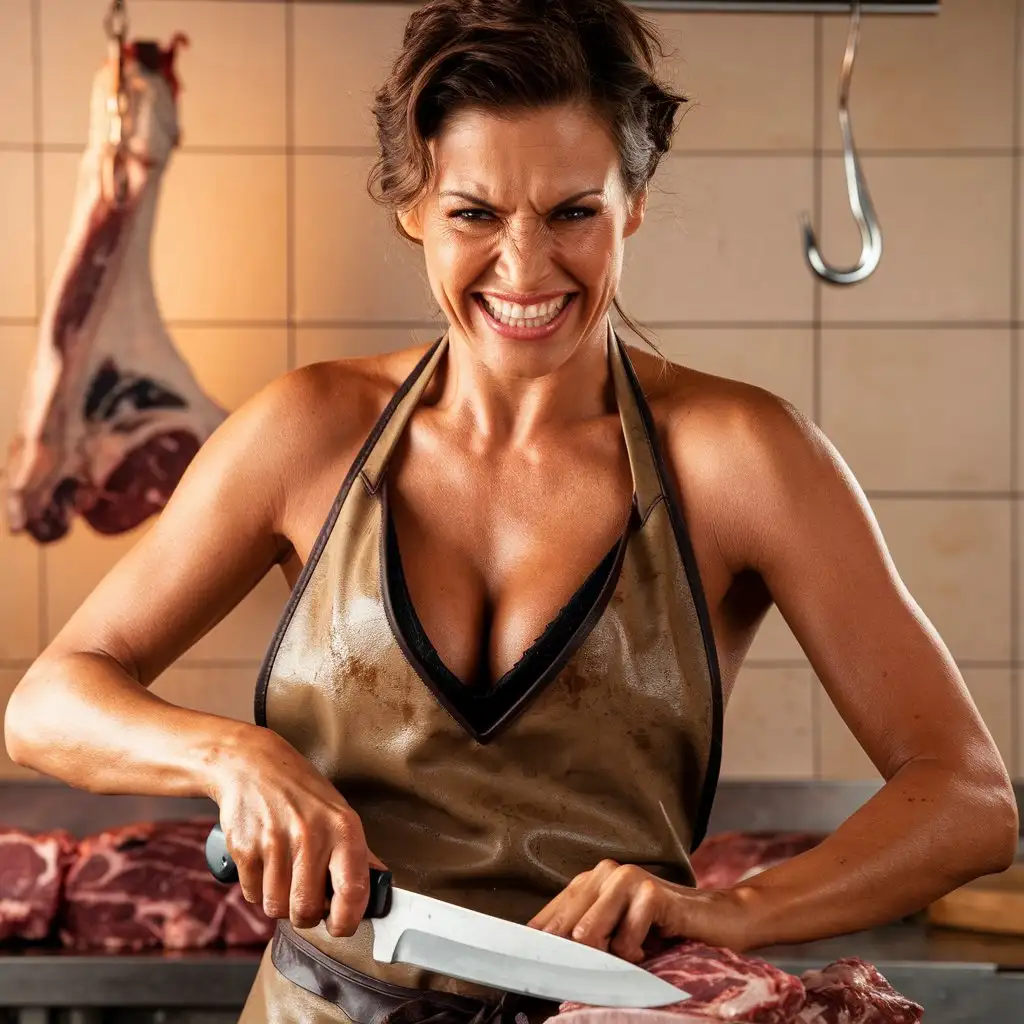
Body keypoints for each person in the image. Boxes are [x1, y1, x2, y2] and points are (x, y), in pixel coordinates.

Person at [5, 0, 1017, 1021]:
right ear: (411, 208)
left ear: (633, 203)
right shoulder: (306, 432)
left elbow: (969, 799)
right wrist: (233, 755)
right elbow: (48, 702)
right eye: (474, 215)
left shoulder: (743, 457)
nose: (525, 267)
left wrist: (736, 911)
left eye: (572, 212)